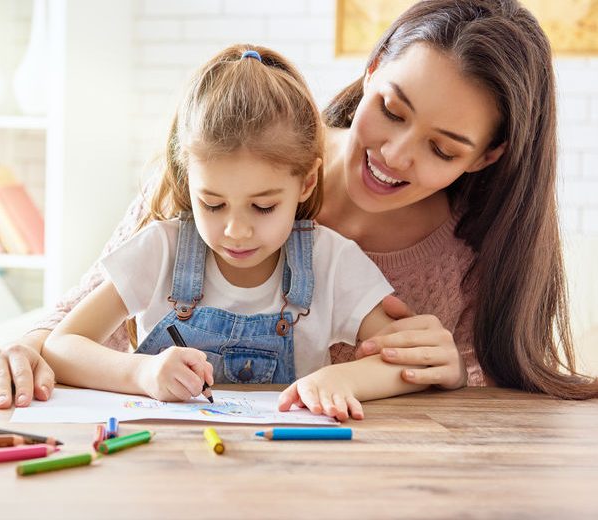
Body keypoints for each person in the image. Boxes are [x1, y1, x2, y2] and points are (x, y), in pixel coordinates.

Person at [0, 0, 598, 409]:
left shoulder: (466, 253)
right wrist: (28, 347)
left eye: (442, 148)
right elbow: (76, 320)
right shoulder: (238, 152)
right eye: (391, 110)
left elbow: (473, 402)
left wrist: (450, 372)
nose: (396, 154)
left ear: (485, 156)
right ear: (371, 69)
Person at [37, 45, 431, 420]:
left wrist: (342, 378)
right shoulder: (162, 251)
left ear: (307, 182)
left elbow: (408, 363)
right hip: (165, 464)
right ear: (187, 180)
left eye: (263, 207)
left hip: (286, 463)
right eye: (212, 204)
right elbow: (61, 347)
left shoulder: (330, 261)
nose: (236, 231)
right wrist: (141, 373)